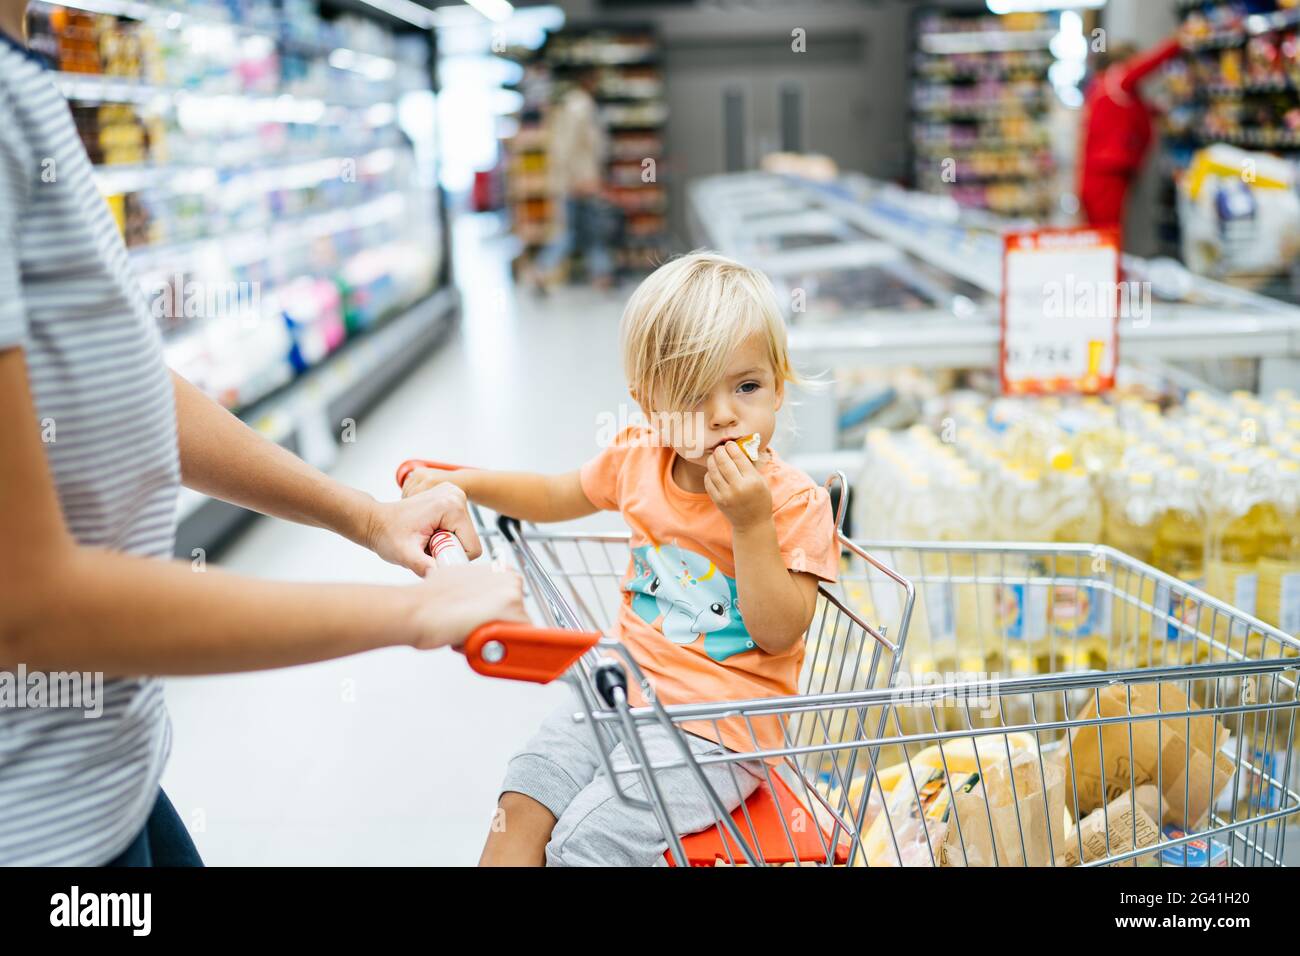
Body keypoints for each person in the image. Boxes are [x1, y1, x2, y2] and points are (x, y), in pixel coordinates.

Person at [0, 6, 526, 867]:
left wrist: (364, 517)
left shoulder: (23, 73)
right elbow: (24, 605)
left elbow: (116, 377)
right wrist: (417, 612)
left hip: (110, 772)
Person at [403, 252, 840, 866]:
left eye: (747, 386)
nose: (723, 414)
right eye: (693, 394)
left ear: (779, 383)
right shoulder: (639, 460)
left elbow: (777, 633)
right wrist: (465, 483)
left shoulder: (794, 502)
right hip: (621, 695)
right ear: (650, 407)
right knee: (525, 790)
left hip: (719, 737)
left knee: (587, 841)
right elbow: (554, 494)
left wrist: (750, 522)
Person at [1077, 34, 1184, 233]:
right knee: (1108, 232)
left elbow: (1125, 113)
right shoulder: (1118, 78)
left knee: (1104, 232)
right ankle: (1110, 264)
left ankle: (1110, 263)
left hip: (1103, 171)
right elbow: (1147, 65)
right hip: (1107, 173)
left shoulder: (1106, 86)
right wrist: (1178, 41)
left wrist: (1159, 111)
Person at [528, 69, 615, 293]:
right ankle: (545, 268)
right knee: (588, 232)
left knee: (583, 232)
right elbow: (569, 147)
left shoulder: (572, 105)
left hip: (578, 181)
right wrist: (579, 180)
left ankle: (599, 275)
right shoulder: (579, 106)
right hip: (580, 183)